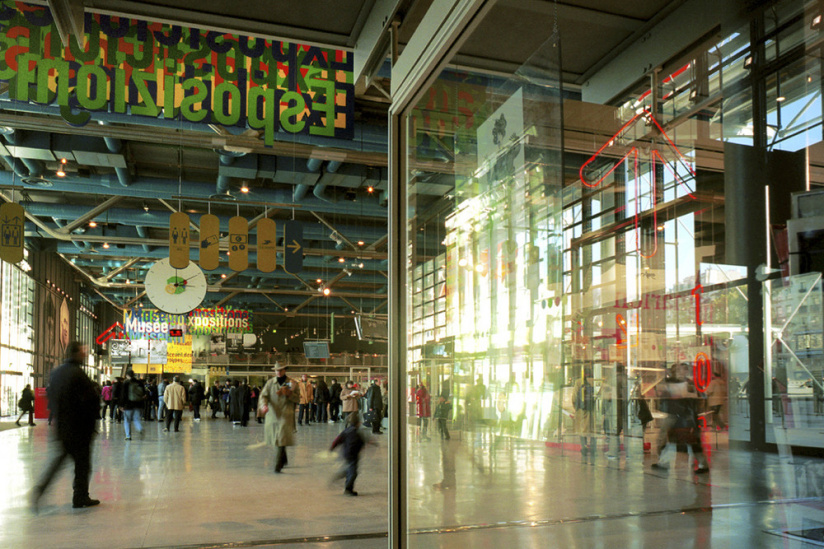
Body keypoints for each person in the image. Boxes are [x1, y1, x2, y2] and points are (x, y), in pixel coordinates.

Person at [31, 342, 100, 510]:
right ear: (75, 353)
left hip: (62, 426)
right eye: (82, 351)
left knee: (60, 460)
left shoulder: (56, 373)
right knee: (83, 463)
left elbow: (52, 396)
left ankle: (41, 489)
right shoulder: (77, 373)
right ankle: (80, 497)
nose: (84, 354)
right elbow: (90, 400)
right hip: (79, 427)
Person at [258, 363, 300, 473]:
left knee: (281, 438)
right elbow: (263, 395)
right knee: (277, 439)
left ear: (285, 370)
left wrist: (289, 394)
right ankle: (284, 458)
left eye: (280, 370)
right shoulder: (270, 383)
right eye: (276, 370)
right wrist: (264, 405)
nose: (278, 372)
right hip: (273, 414)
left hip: (286, 414)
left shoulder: (292, 383)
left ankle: (278, 465)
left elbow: (298, 399)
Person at [330, 412, 370, 496]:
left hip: (346, 454)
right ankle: (348, 489)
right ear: (359, 423)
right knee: (353, 472)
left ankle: (341, 474)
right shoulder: (358, 433)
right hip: (353, 455)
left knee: (350, 468)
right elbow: (363, 442)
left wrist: (332, 448)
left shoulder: (346, 431)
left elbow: (337, 440)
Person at [572, 369, 596, 462]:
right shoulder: (596, 381)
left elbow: (574, 397)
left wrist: (576, 407)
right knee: (592, 428)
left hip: (582, 409)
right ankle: (593, 447)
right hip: (593, 408)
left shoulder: (579, 382)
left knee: (582, 428)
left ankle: (584, 446)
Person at [119, 370, 145, 440]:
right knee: (136, 419)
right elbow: (144, 394)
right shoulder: (139, 383)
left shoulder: (126, 383)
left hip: (128, 405)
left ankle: (128, 436)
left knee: (127, 420)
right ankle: (140, 428)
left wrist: (121, 405)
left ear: (127, 375)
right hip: (138, 404)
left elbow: (123, 395)